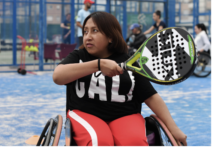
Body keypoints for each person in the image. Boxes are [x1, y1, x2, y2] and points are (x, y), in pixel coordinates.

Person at [53, 11, 187, 146]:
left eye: (94, 31)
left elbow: (151, 97)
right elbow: (58, 76)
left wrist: (174, 128)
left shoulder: (129, 60)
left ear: (111, 36)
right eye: (85, 31)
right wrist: (99, 65)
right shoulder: (79, 56)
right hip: (85, 113)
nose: (88, 36)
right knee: (99, 141)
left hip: (125, 116)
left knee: (134, 142)